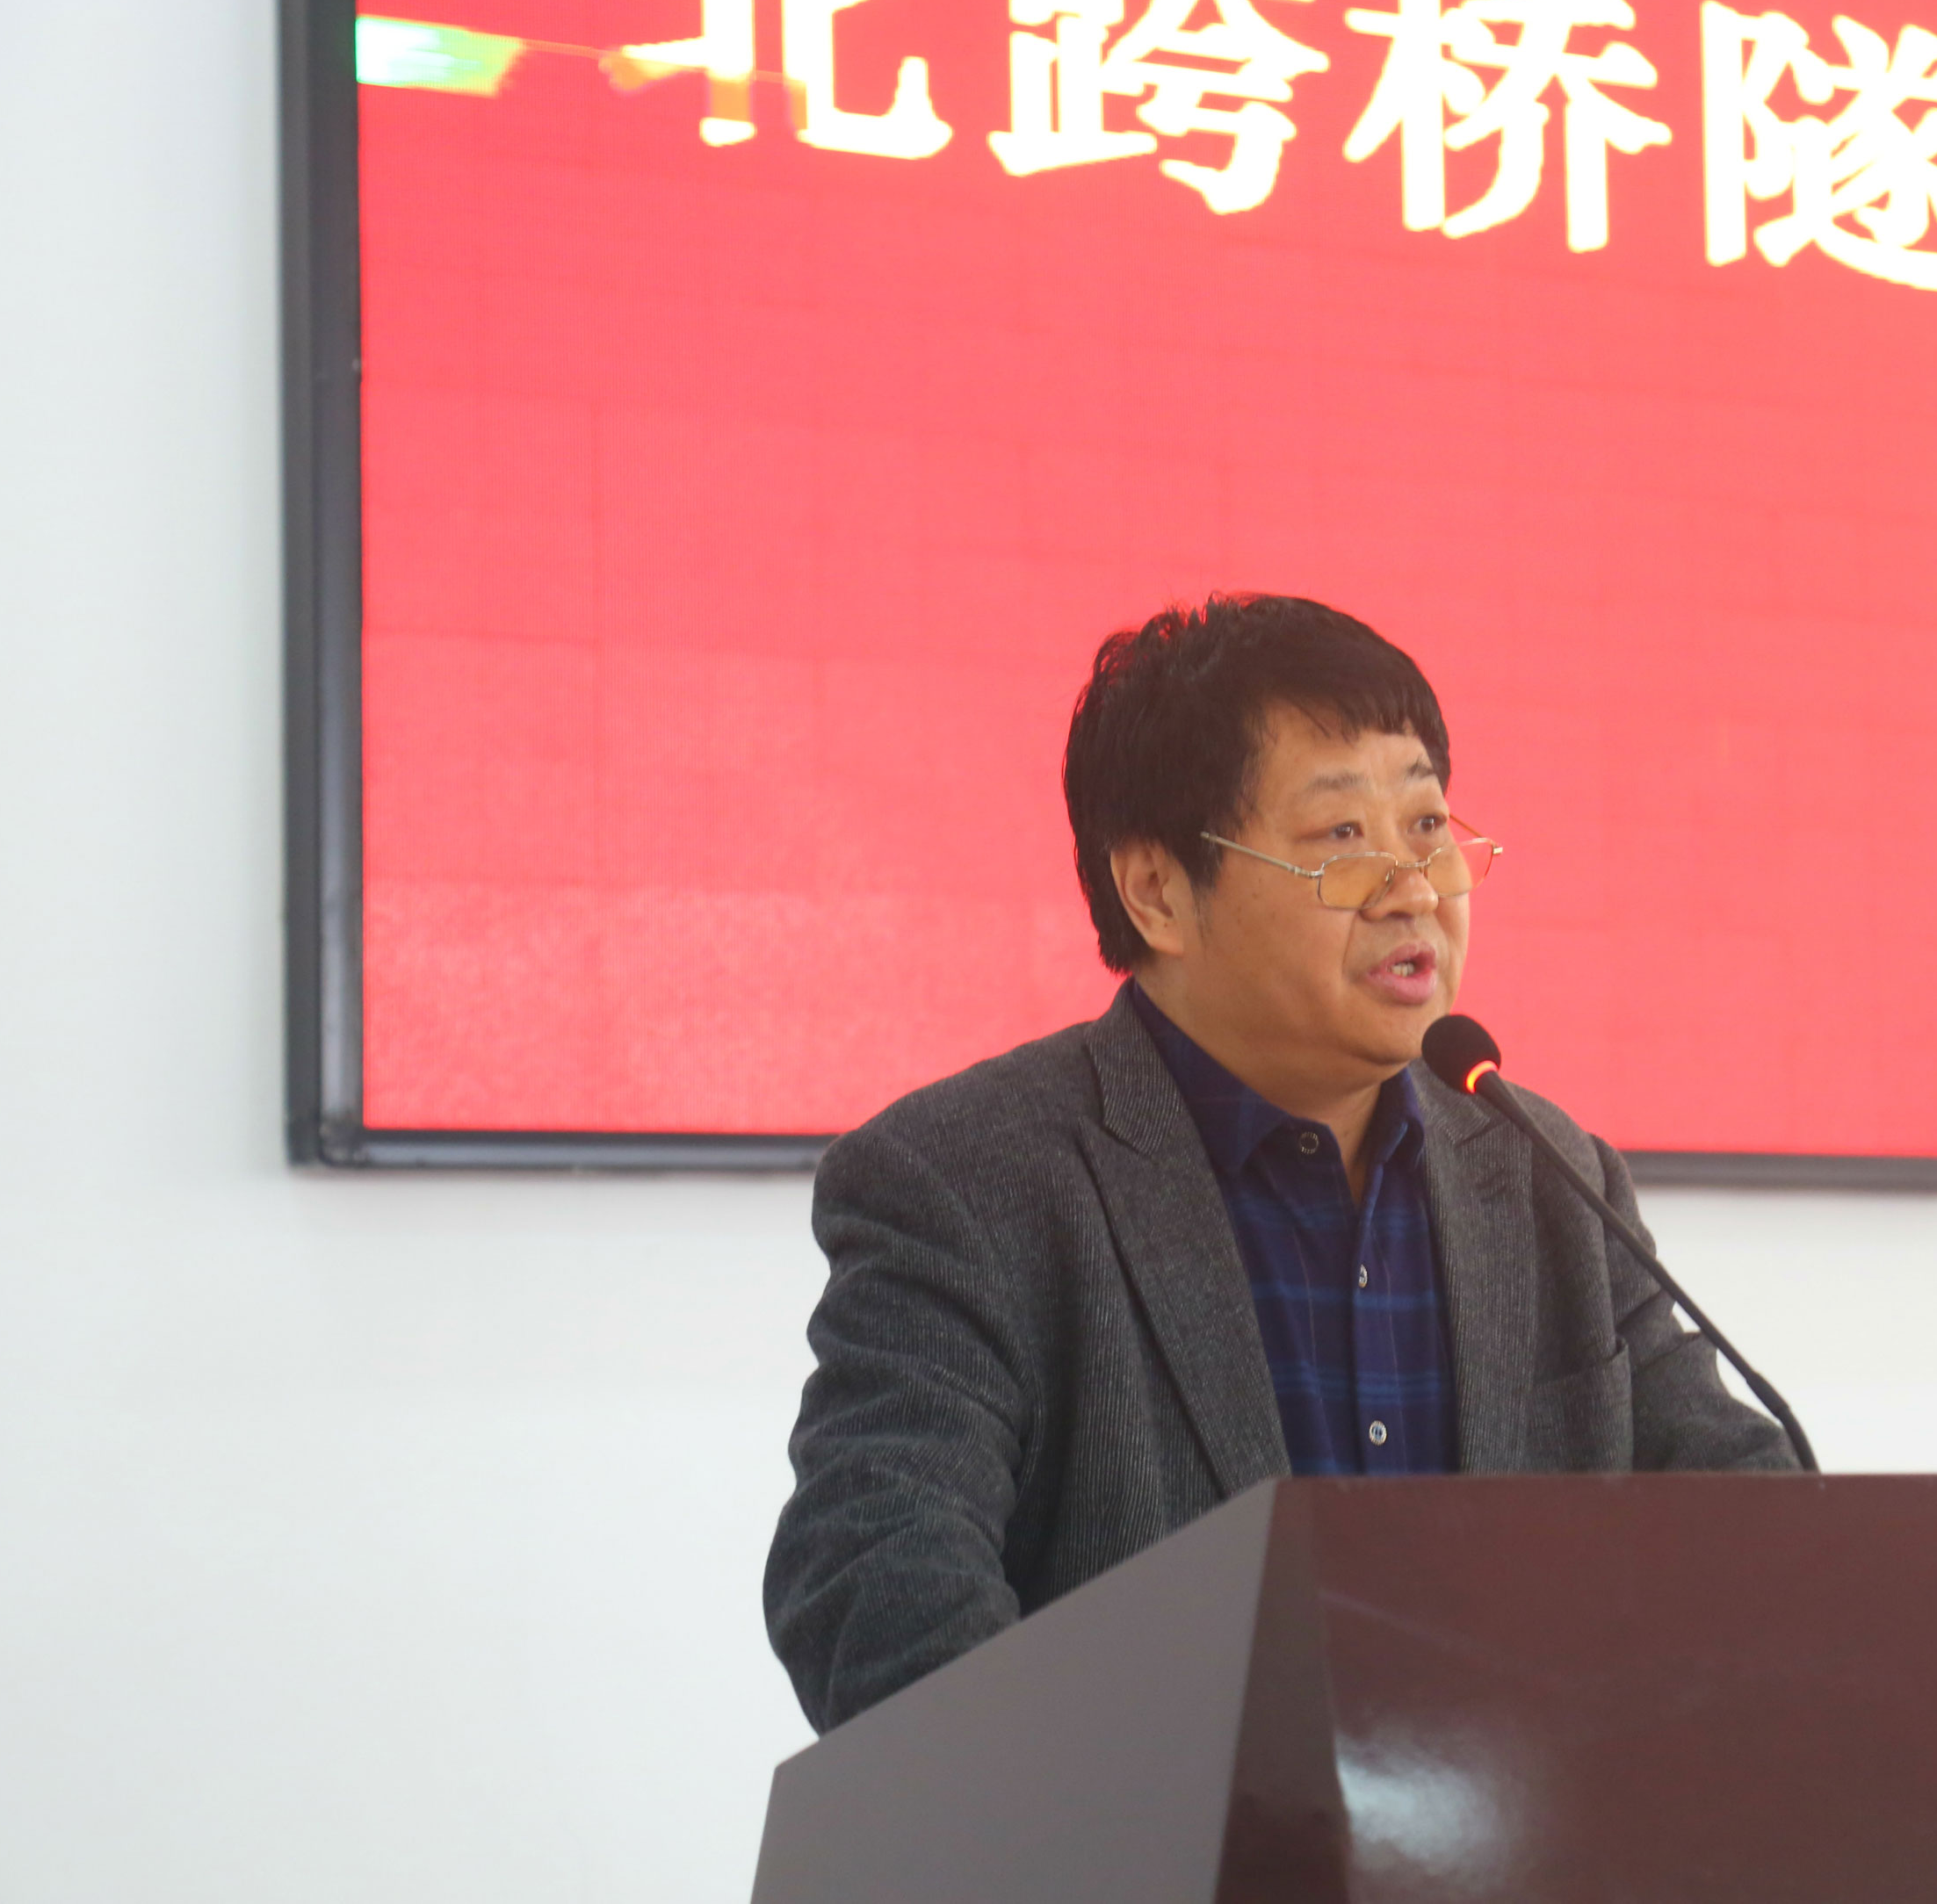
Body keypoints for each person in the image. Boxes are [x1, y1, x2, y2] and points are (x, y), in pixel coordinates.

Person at [763, 594, 1793, 1731]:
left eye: (1428, 823)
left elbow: (1750, 1525)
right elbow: (876, 1577)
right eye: (1341, 837)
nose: (1415, 886)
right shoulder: (970, 1182)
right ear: (1158, 891)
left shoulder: (1548, 1171)